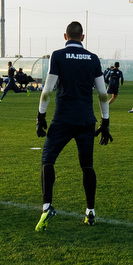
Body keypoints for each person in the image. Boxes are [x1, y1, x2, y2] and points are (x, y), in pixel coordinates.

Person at [35, 21, 112, 231]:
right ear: (83, 37)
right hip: (86, 120)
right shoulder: (93, 58)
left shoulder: (58, 55)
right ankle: (90, 211)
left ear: (65, 36)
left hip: (63, 119)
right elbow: (103, 94)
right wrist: (105, 121)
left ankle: (47, 206)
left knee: (47, 159)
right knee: (87, 165)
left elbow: (48, 89)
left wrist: (41, 116)